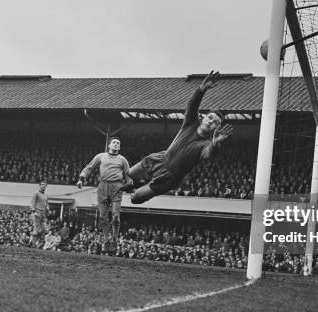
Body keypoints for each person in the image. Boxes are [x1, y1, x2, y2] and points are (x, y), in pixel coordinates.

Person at [122, 71, 232, 204]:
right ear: (203, 118)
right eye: (210, 117)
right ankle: (137, 183)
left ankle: (147, 190)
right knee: (130, 173)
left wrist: (216, 143)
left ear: (216, 128)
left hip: (171, 177)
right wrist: (202, 89)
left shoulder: (207, 144)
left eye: (215, 123)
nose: (211, 122)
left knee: (135, 199)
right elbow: (192, 105)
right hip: (161, 159)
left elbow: (209, 154)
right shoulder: (191, 123)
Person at [77, 137, 131, 242]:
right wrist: (81, 179)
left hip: (117, 187)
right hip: (103, 186)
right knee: (102, 216)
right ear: (109, 145)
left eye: (118, 143)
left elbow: (128, 175)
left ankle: (115, 238)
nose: (116, 144)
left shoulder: (123, 160)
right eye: (114, 142)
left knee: (115, 215)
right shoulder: (101, 156)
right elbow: (89, 167)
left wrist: (130, 186)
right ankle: (106, 238)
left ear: (119, 146)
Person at [29, 180, 51, 248]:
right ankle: (33, 245)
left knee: (44, 229)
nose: (43, 186)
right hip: (37, 212)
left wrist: (48, 209)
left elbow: (46, 204)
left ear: (46, 186)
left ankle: (33, 241)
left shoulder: (46, 195)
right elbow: (32, 203)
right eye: (42, 184)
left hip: (43, 213)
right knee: (36, 228)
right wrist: (33, 211)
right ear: (40, 185)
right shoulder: (36, 193)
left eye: (45, 185)